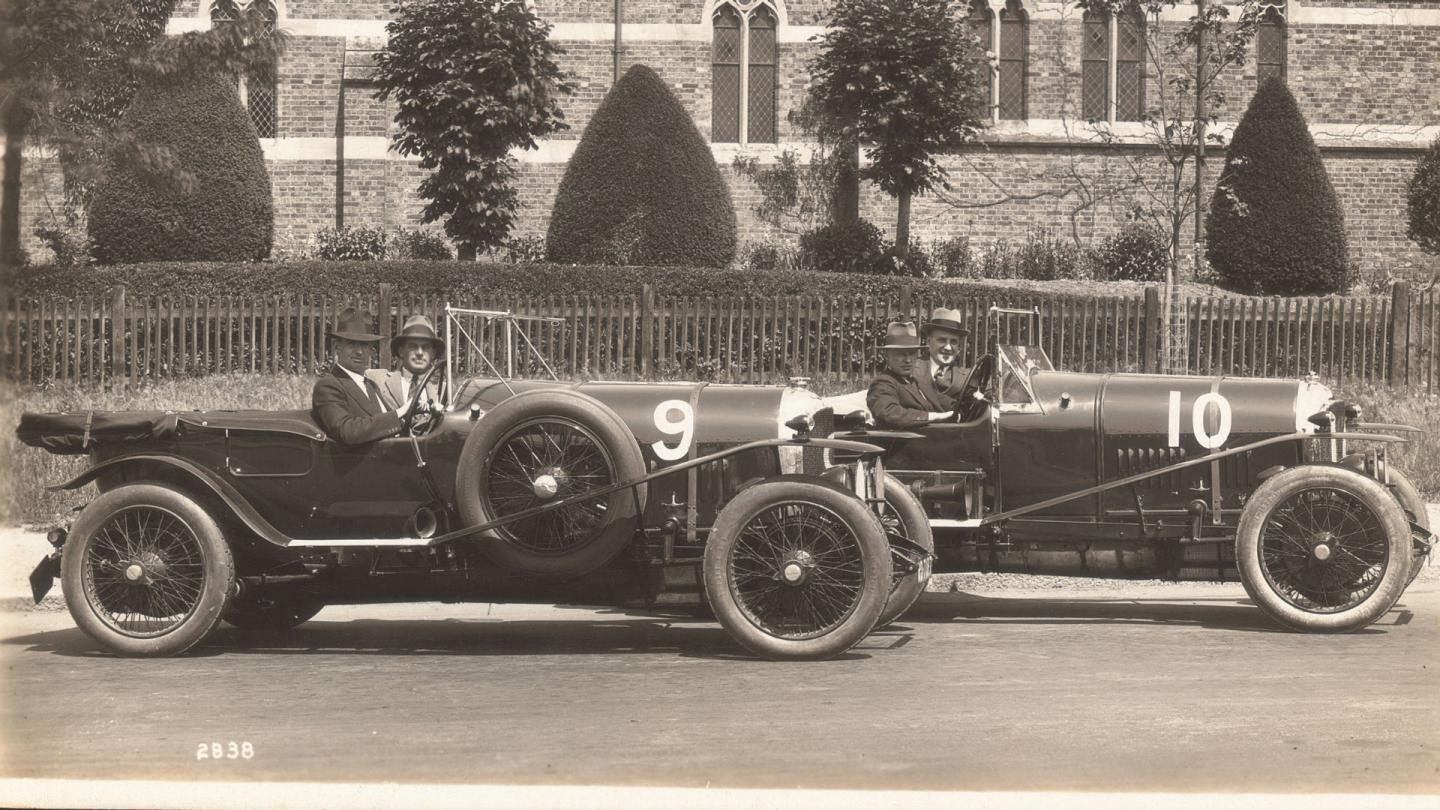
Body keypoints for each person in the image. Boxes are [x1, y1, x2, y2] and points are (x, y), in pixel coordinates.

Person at [311, 308, 411, 444]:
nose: (359, 351)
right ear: (337, 346)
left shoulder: (370, 384)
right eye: (351, 344)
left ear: (370, 349)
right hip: (355, 457)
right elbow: (346, 431)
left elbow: (383, 424)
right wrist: (400, 412)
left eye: (364, 345)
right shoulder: (328, 386)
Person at [866, 321, 957, 429]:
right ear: (886, 355)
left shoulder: (920, 382)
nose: (908, 360)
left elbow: (949, 403)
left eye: (912, 353)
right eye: (901, 354)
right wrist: (935, 417)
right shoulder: (883, 383)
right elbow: (888, 413)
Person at [368, 314, 447, 414]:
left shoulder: (444, 390)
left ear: (433, 353)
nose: (419, 352)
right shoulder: (379, 381)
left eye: (425, 347)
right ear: (401, 351)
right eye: (413, 346)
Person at [920, 306, 971, 404]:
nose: (948, 347)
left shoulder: (966, 377)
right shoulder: (910, 369)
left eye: (953, 342)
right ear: (929, 341)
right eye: (942, 340)